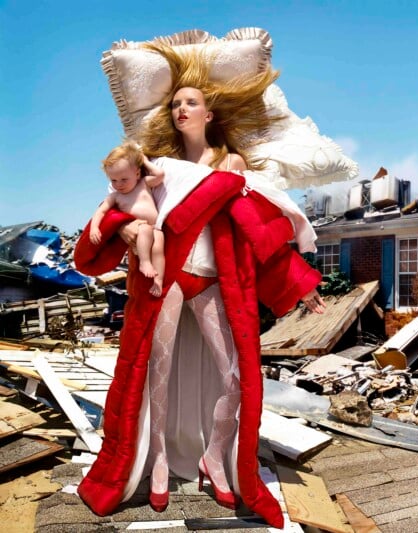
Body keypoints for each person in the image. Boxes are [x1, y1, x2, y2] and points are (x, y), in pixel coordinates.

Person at [76, 43, 325, 529]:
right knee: (157, 375)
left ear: (209, 113)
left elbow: (260, 231)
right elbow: (122, 211)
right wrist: (125, 228)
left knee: (236, 376)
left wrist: (299, 282)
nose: (181, 108)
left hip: (213, 279)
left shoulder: (230, 166)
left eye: (190, 102)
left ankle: (215, 454)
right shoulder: (156, 168)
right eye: (175, 103)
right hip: (165, 278)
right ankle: (162, 459)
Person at [90, 141, 166, 297]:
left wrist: (143, 159)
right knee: (145, 230)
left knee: (158, 250)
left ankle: (158, 281)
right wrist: (94, 228)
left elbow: (160, 175)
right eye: (113, 180)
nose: (118, 184)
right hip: (138, 230)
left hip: (155, 227)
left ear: (137, 174)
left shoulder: (143, 184)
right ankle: (145, 262)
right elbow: (101, 211)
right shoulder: (115, 196)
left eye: (124, 179)